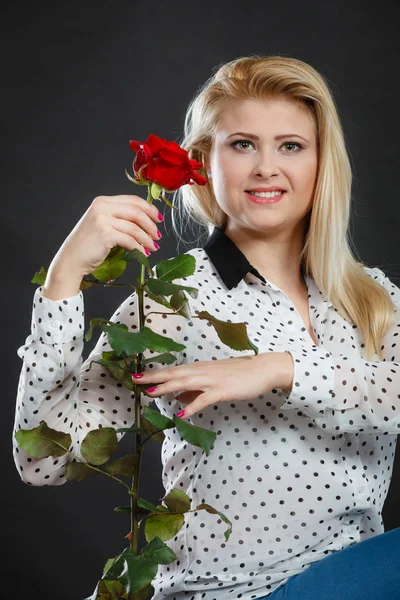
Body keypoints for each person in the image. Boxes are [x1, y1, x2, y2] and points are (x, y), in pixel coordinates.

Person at [12, 54, 400, 600]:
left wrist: (281, 369)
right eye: (243, 144)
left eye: (290, 145)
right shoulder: (174, 299)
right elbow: (44, 461)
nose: (266, 167)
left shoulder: (373, 299)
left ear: (321, 162)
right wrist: (62, 281)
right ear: (203, 163)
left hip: (358, 577)